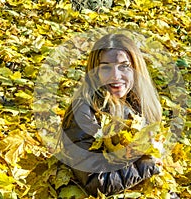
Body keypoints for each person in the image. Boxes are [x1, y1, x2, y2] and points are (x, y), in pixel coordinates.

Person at [59, 33, 163, 197]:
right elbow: (95, 182)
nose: (115, 76)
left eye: (124, 66)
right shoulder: (83, 112)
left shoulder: (137, 104)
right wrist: (147, 165)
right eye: (106, 67)